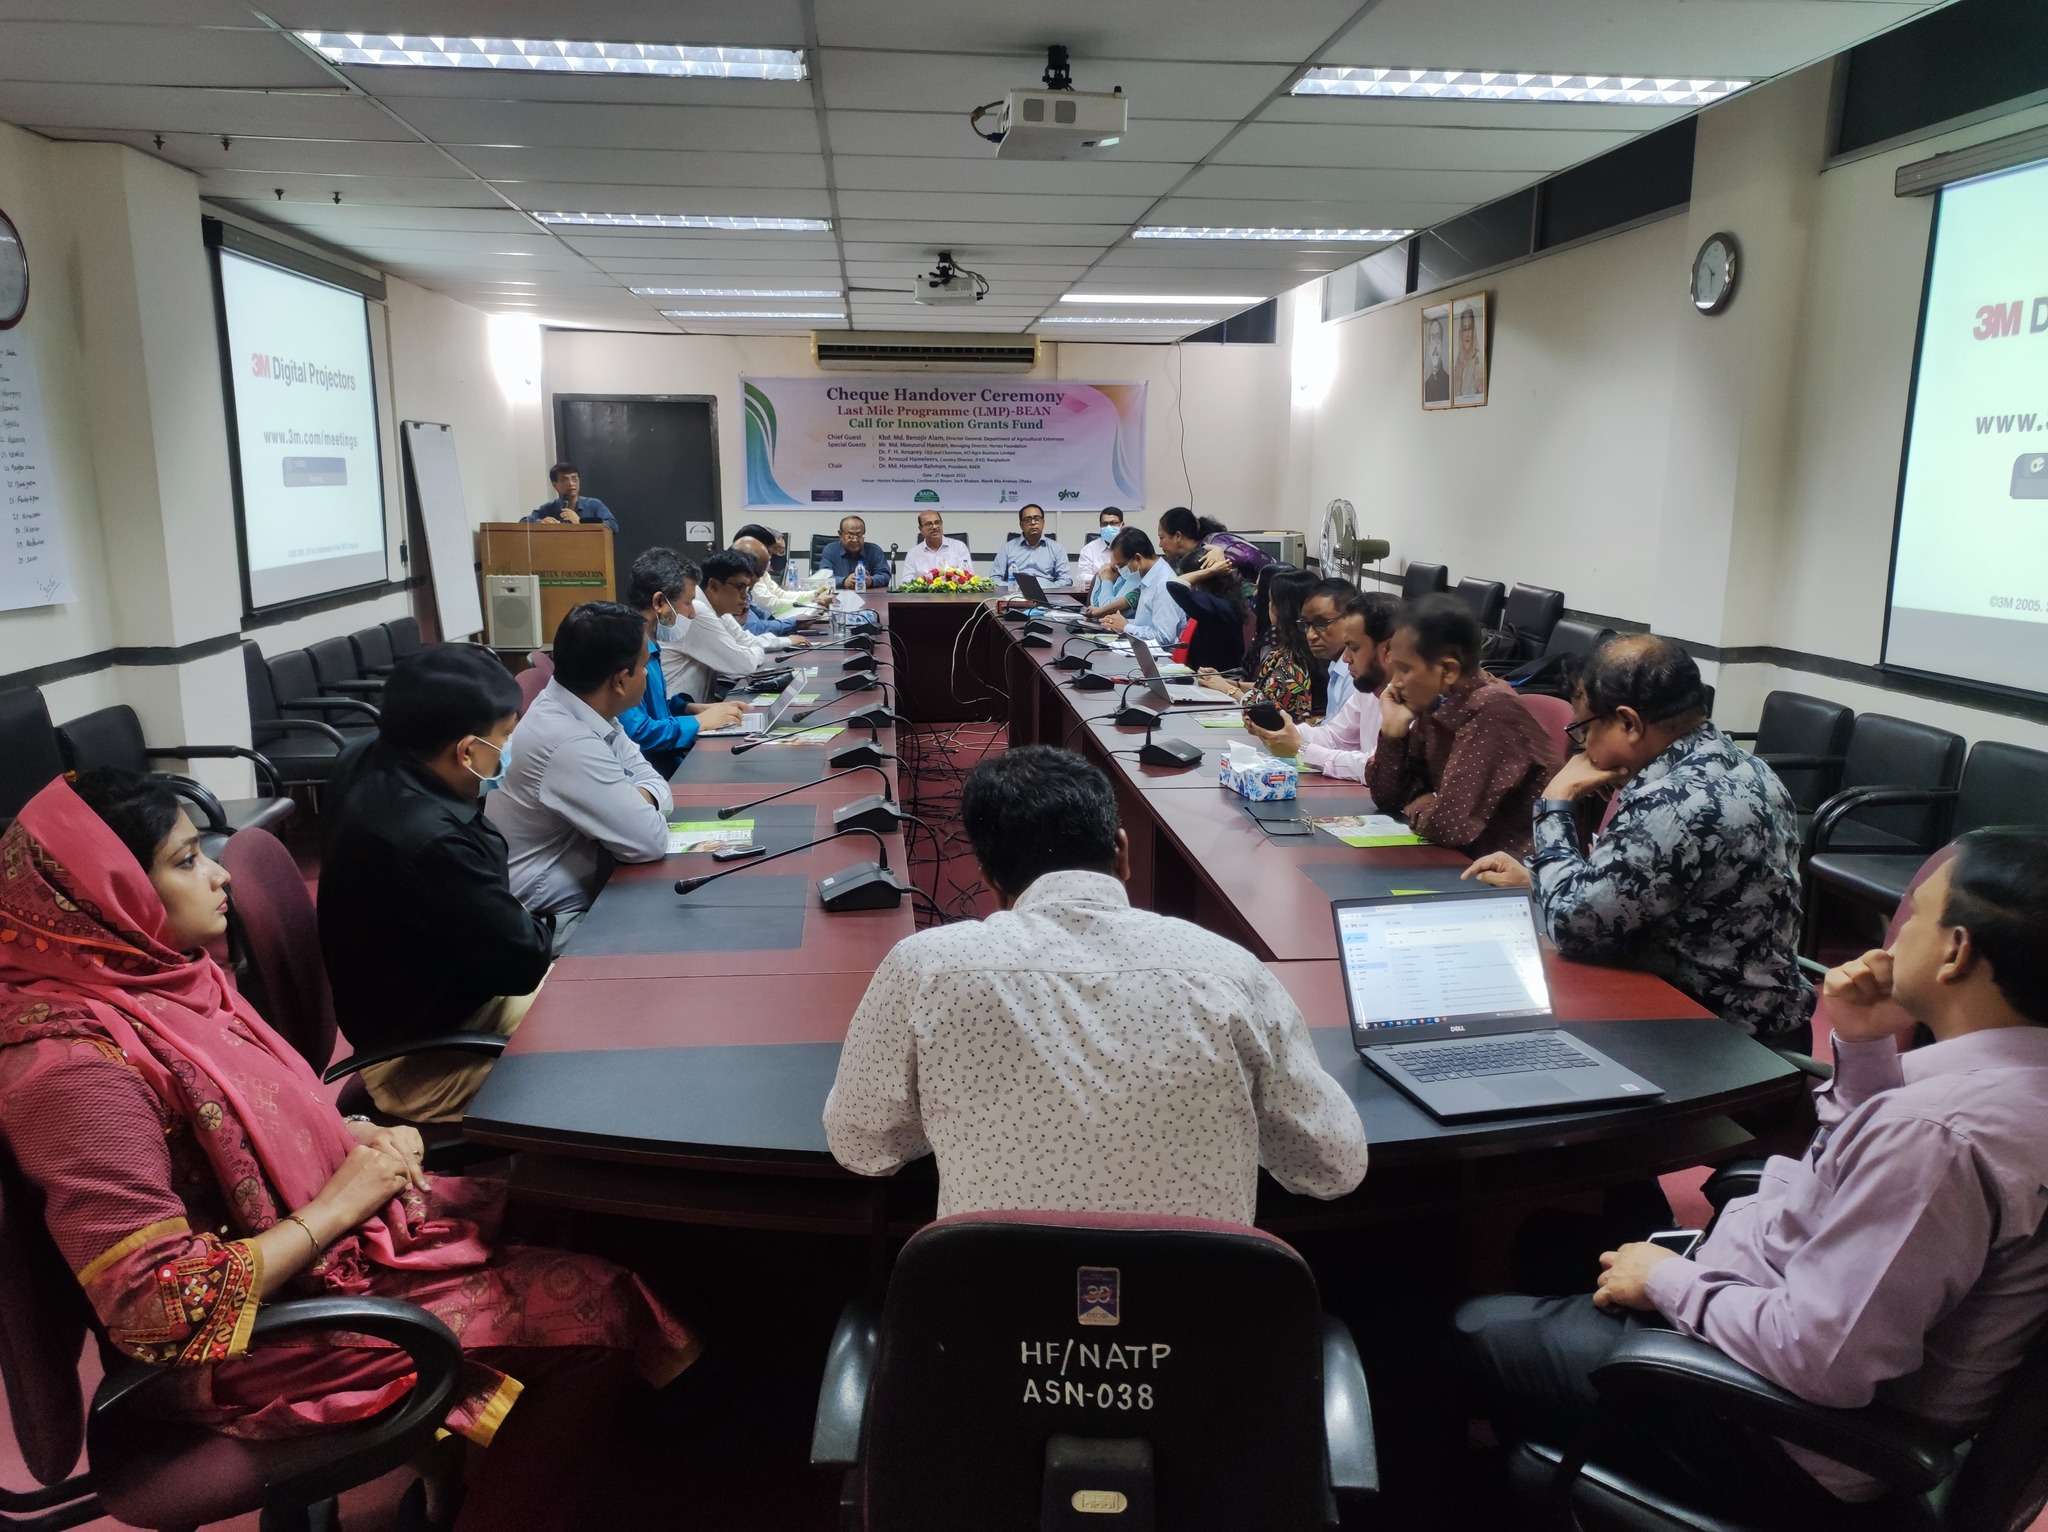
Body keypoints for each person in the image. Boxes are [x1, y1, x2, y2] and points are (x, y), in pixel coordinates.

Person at [0, 770, 697, 1532]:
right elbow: (157, 1308)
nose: (220, 875)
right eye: (187, 860)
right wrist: (337, 1206)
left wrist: (353, 1136)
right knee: (598, 1315)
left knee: (564, 1206)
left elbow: (246, 1121)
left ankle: (477, 1472)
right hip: (248, 1348)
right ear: (105, 893)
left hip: (312, 1264)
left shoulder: (160, 980)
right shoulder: (77, 1074)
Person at [1452, 827, 2048, 1509]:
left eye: (1915, 916)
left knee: (1477, 1327)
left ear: (1955, 951)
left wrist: (1670, 1282)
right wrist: (1865, 1043)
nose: (1896, 933)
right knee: (1547, 1243)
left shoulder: (1938, 1135)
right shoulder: (2001, 1087)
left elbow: (1823, 1360)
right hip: (1774, 1301)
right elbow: (1864, 1174)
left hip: (1780, 1432)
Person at [824, 746, 1368, 1221]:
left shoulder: (927, 968)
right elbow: (1332, 1166)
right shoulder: (1231, 972)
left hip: (996, 1306)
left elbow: (862, 1145)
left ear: (988, 879)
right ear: (1123, 852)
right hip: (1196, 1307)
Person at [1463, 635, 1812, 1039]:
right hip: (1759, 1010)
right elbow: (1644, 891)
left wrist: (1555, 801)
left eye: (1584, 730)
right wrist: (1540, 880)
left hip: (1720, 1034)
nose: (1583, 750)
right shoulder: (1746, 766)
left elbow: (1571, 928)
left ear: (1629, 723)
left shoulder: (1671, 804)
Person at [318, 647, 557, 1122]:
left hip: (440, 1008)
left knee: (594, 995)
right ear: (466, 751)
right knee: (607, 1060)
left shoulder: (368, 757)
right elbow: (523, 962)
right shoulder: (430, 840)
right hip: (421, 1065)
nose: (510, 748)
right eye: (506, 736)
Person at [488, 601, 673, 919]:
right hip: (551, 918)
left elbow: (653, 779)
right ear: (620, 681)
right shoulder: (567, 742)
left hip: (594, 885)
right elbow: (650, 841)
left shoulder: (586, 707)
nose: (646, 673)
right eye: (644, 666)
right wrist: (634, 801)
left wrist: (634, 799)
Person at [1366, 594, 1559, 858]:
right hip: (1467, 858)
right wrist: (1392, 733)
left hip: (1519, 869)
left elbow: (1448, 826)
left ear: (1448, 670)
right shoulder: (1436, 701)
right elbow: (1388, 798)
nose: (1395, 683)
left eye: (1405, 670)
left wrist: (1422, 807)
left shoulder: (1491, 710)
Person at [618, 548, 746, 779]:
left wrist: (689, 708)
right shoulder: (625, 650)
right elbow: (637, 732)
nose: (693, 614)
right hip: (654, 773)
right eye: (688, 603)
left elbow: (655, 709)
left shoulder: (651, 642)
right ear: (659, 602)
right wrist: (697, 722)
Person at [1248, 592, 1396, 784]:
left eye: (1354, 648)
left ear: (1387, 650)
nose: (1346, 658)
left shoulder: (1413, 699)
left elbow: (1373, 766)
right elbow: (1334, 737)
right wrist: (1282, 730)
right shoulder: (1368, 689)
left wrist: (1301, 748)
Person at [1198, 567, 1323, 721]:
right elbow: (1269, 688)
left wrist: (1228, 689)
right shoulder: (1287, 647)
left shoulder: (1297, 659)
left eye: (1272, 601)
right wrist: (1224, 682)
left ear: (1282, 608)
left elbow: (1273, 712)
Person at [657, 549, 777, 705]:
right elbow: (743, 664)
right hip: (677, 712)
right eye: (740, 587)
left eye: (747, 589)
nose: (745, 596)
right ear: (713, 585)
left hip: (696, 707)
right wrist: (758, 650)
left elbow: (744, 641)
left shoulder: (715, 608)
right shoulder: (695, 610)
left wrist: (751, 650)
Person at [1096, 527, 1182, 647]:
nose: (1120, 570)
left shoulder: (1164, 584)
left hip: (1160, 654)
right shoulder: (1150, 576)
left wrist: (1126, 627)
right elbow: (1146, 624)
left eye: (1121, 566)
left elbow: (1165, 638)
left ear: (1137, 558)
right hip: (1144, 649)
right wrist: (1117, 622)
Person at [1156, 506, 1270, 596]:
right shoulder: (1187, 557)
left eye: (1162, 538)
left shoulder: (1218, 549)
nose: (1160, 544)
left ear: (1178, 536)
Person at [730, 534, 812, 643]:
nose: (771, 559)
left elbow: (763, 618)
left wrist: (793, 621)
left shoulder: (747, 585)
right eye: (771, 552)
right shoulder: (733, 589)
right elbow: (755, 629)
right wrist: (791, 625)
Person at [1304, 577, 1360, 717]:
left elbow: (1344, 731)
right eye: (1306, 624)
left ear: (1351, 619)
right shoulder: (1336, 665)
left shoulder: (1354, 674)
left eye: (1321, 623)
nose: (1310, 635)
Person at [733, 522, 823, 608]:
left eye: (781, 552)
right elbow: (770, 605)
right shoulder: (746, 574)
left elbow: (780, 594)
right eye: (772, 550)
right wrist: (813, 603)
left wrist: (815, 594)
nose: (770, 557)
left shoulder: (761, 572)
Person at [524, 461, 619, 533]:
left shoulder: (593, 505)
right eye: (564, 480)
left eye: (574, 479)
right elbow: (523, 522)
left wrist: (581, 523)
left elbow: (613, 526)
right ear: (555, 485)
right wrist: (540, 523)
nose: (571, 483)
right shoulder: (548, 508)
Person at [991, 503, 1068, 587]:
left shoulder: (1057, 548)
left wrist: (1048, 588)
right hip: (1016, 593)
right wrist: (1013, 587)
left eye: (1037, 519)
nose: (1033, 523)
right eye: (1028, 520)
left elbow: (1066, 580)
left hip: (1047, 593)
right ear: (1021, 525)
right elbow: (994, 579)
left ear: (1043, 522)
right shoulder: (1007, 548)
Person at [819, 515, 891, 589]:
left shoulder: (874, 550)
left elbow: (885, 575)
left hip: (868, 594)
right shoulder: (830, 550)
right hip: (839, 595)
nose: (855, 540)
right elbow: (824, 578)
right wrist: (844, 581)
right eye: (850, 536)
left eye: (859, 535)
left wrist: (871, 581)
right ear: (840, 534)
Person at [902, 509, 972, 580]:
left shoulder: (959, 547)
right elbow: (906, 581)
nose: (934, 527)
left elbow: (969, 577)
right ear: (921, 529)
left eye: (937, 522)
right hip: (924, 587)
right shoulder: (913, 553)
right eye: (929, 524)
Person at [1072, 506, 1124, 591]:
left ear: (1122, 525)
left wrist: (1101, 576)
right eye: (1105, 524)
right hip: (1097, 593)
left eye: (1113, 523)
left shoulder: (1131, 546)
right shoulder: (1089, 549)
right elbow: (1083, 577)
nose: (1108, 527)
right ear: (1100, 525)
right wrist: (1108, 577)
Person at [1453, 306, 1485, 401]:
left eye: (1470, 328)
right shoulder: (1458, 361)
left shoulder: (1478, 358)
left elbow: (1480, 391)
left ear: (1473, 331)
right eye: (1464, 328)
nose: (1467, 334)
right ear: (1461, 332)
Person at [1423, 314, 1450, 405]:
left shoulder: (1449, 382)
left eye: (1438, 337)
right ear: (1429, 346)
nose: (1435, 343)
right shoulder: (1425, 385)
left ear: (1442, 344)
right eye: (1432, 337)